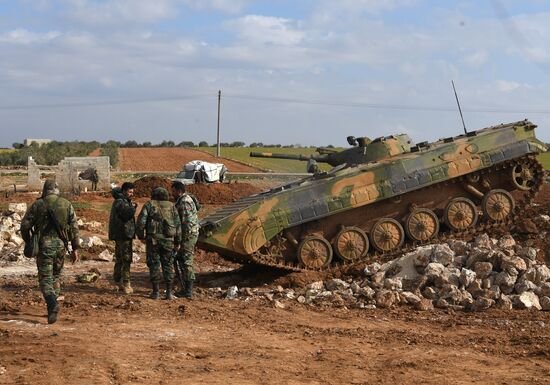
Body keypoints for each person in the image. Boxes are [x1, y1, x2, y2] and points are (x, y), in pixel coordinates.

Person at [20, 180, 80, 324]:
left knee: (45, 278)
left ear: (45, 190)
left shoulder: (37, 205)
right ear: (57, 190)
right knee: (56, 276)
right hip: (61, 246)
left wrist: (29, 241)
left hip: (44, 247)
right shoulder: (66, 204)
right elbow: (74, 229)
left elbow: (24, 226)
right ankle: (53, 307)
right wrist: (75, 248)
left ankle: (52, 303)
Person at [136, 187, 181, 300]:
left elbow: (141, 222)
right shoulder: (172, 206)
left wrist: (141, 236)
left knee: (154, 264)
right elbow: (178, 225)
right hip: (168, 241)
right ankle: (169, 293)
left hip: (153, 241)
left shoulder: (149, 205)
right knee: (168, 265)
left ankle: (155, 292)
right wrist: (178, 241)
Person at [171, 181, 200, 298]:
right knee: (181, 259)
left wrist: (179, 241)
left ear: (178, 191)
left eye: (173, 191)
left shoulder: (184, 202)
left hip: (188, 236)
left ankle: (188, 290)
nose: (172, 193)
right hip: (189, 234)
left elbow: (185, 223)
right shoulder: (186, 199)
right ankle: (184, 286)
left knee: (186, 261)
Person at [108, 182, 137, 294]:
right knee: (126, 259)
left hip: (121, 234)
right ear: (124, 191)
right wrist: (133, 207)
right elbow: (126, 215)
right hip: (124, 235)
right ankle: (126, 284)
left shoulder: (121, 201)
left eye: (132, 192)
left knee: (120, 259)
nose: (131, 194)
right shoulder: (121, 202)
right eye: (130, 192)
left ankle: (117, 282)